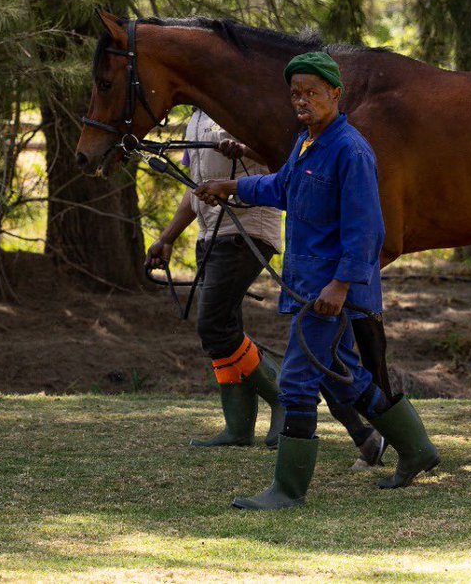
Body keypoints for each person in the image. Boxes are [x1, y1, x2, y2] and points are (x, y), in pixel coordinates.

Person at [197, 51, 440, 511]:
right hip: (309, 285)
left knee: (296, 381)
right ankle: (416, 450)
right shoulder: (307, 143)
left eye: (311, 92)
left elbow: (367, 230)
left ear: (335, 94)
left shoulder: (351, 150)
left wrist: (340, 286)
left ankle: (287, 490)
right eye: (295, 93)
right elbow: (282, 187)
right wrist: (230, 188)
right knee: (345, 379)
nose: (301, 100)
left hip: (330, 293)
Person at [148, 111, 386, 465]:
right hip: (211, 232)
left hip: (248, 231)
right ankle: (244, 427)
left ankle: (281, 400)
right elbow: (195, 190)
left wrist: (245, 150)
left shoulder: (243, 106)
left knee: (217, 327)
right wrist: (168, 237)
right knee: (237, 333)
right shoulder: (195, 118)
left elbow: (282, 168)